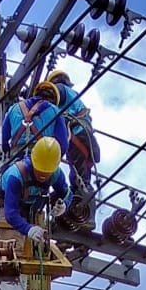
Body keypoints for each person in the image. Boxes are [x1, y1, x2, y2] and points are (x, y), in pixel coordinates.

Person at [0, 136, 73, 248]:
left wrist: (64, 204)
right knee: (16, 250)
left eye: (47, 173)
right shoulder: (15, 176)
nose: (42, 176)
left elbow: (66, 193)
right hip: (7, 210)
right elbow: (10, 213)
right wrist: (28, 229)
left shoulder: (56, 174)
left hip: (34, 213)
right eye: (39, 171)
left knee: (39, 250)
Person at [46, 69, 100, 198]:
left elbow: (48, 98)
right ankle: (82, 190)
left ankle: (79, 194)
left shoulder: (59, 89)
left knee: (76, 165)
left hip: (75, 132)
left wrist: (34, 100)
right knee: (81, 168)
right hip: (84, 132)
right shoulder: (73, 94)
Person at [0, 81, 70, 159]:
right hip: (41, 162)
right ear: (54, 99)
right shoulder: (56, 111)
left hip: (16, 161)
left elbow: (3, 140)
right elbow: (62, 146)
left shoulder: (14, 108)